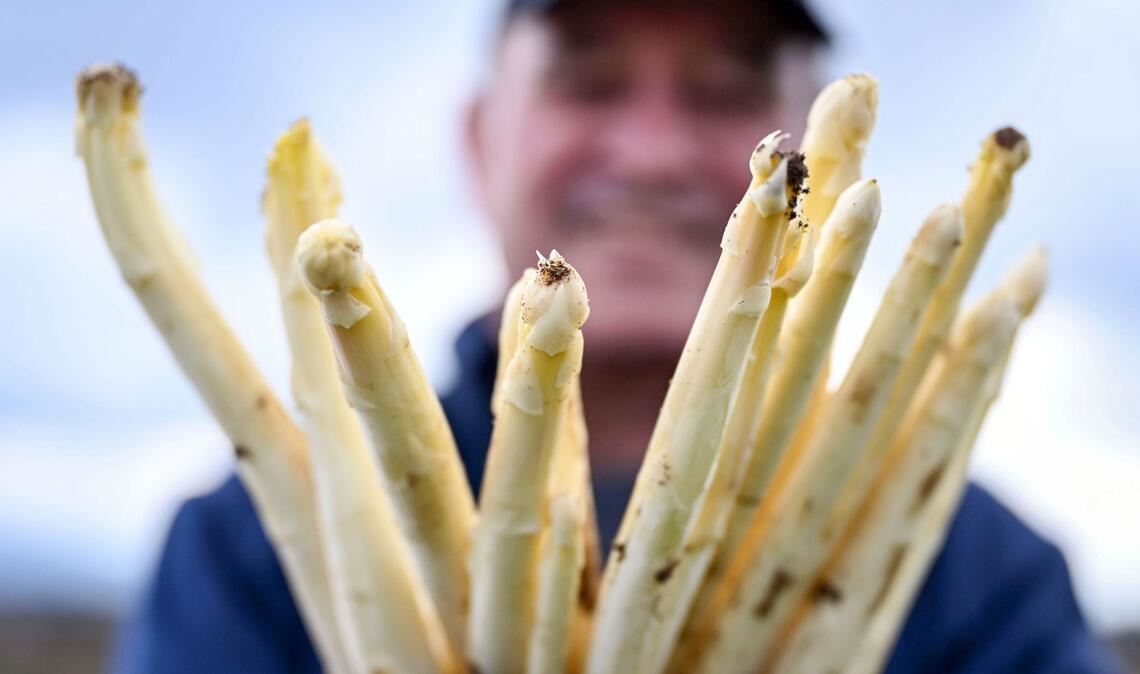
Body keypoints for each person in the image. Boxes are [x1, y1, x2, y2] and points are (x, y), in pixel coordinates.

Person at [112, 1, 1121, 672]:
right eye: (588, 82)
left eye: (727, 91)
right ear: (478, 139)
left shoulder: (983, 575)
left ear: (823, 155)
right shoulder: (243, 555)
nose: (651, 151)